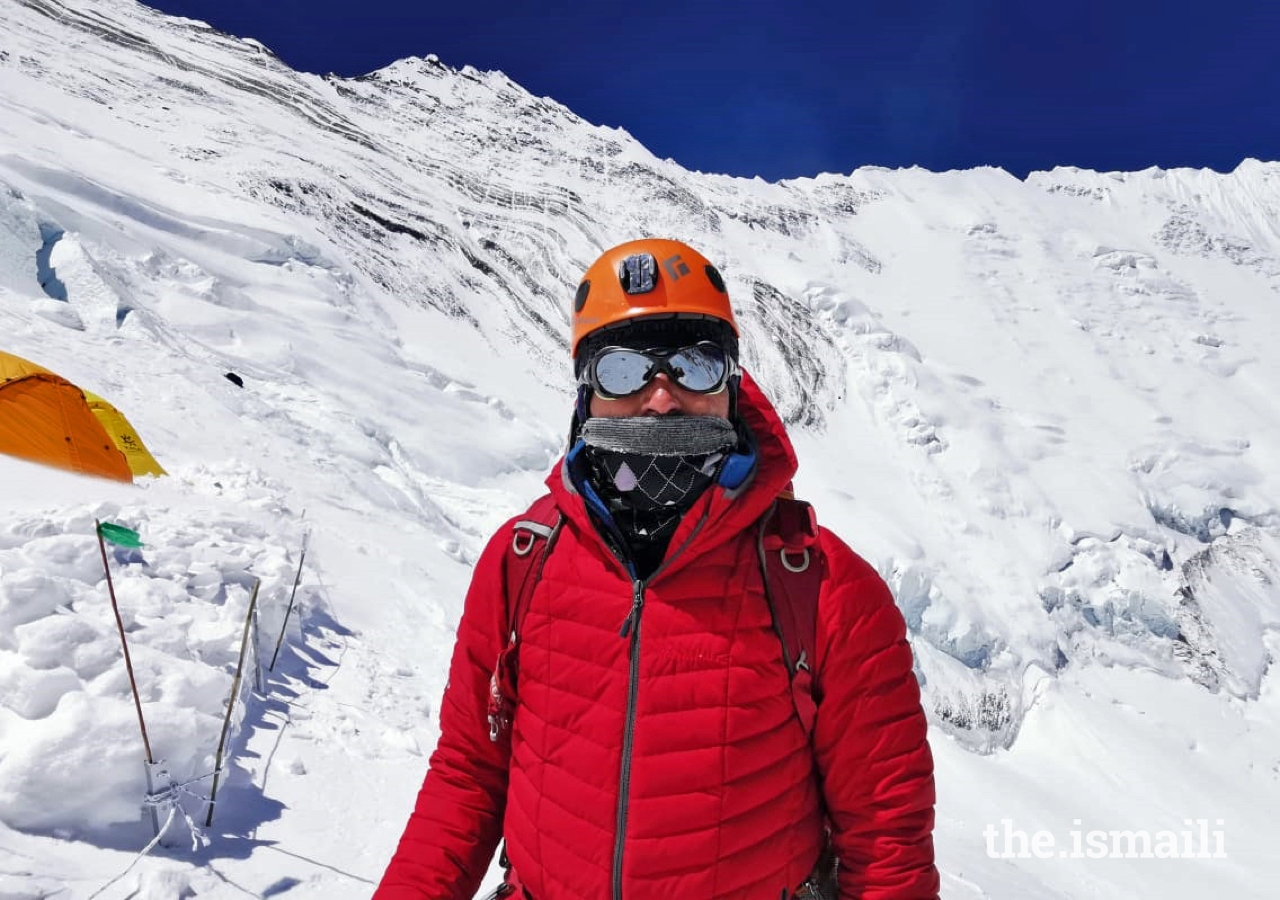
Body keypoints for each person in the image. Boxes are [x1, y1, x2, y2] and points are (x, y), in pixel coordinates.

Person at [374, 238, 939, 900]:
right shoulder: (523, 561)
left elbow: (886, 840)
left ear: (731, 384)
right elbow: (469, 776)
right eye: (622, 370)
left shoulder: (824, 586)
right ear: (586, 393)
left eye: (695, 365)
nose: (661, 399)